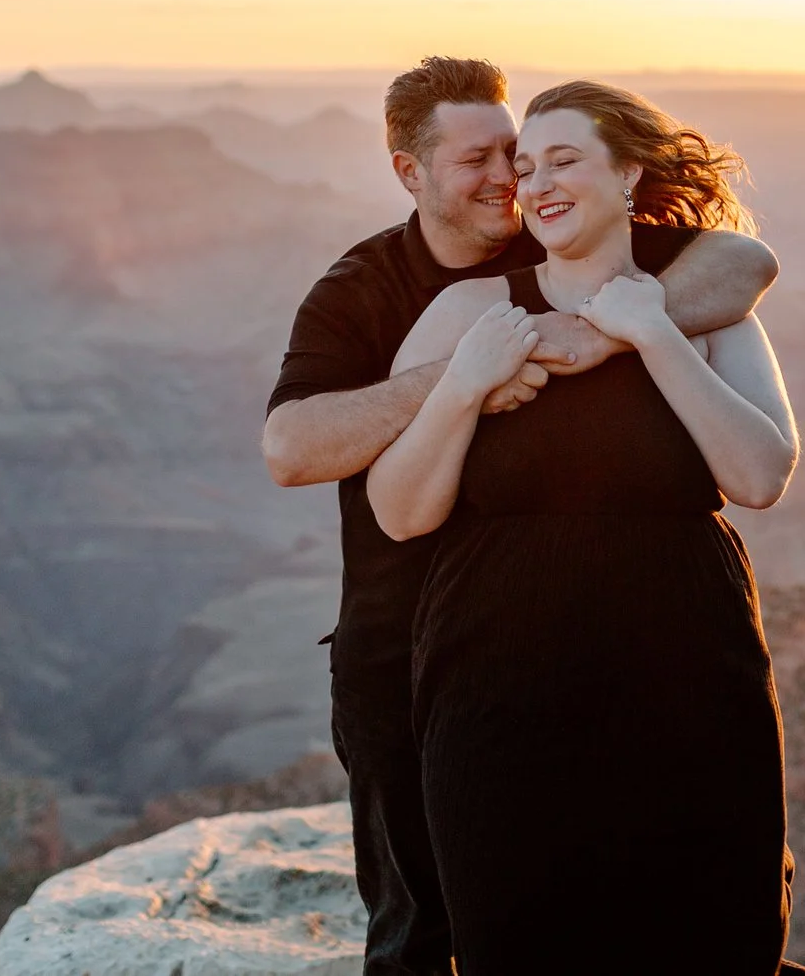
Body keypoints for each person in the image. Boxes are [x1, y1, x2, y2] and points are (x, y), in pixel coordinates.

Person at [263, 58, 778, 976]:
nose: (516, 180)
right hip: (430, 648)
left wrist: (616, 328)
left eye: (533, 156)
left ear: (625, 176)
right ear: (409, 172)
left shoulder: (623, 260)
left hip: (673, 652)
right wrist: (462, 376)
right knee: (433, 927)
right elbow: (294, 450)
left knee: (704, 918)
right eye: (489, 161)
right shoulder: (380, 289)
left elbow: (746, 259)